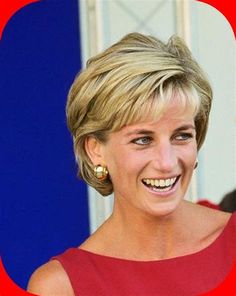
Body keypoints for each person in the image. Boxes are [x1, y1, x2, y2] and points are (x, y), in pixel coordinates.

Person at [27, 32, 236, 295]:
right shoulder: (59, 286)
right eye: (142, 140)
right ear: (95, 150)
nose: (166, 162)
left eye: (181, 136)